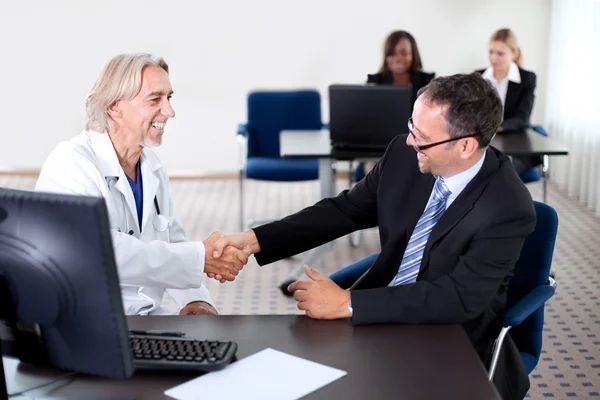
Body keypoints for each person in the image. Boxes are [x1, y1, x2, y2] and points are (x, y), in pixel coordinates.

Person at [212, 73, 534, 400]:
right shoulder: (403, 155)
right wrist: (255, 240)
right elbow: (345, 210)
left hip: (451, 337)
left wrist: (347, 303)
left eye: (421, 136)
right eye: (411, 125)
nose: (410, 141)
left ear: (465, 146)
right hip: (379, 312)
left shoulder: (507, 206)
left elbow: (457, 299)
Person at [35, 53, 248, 316]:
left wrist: (195, 300)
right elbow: (102, 251)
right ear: (114, 107)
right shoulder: (70, 164)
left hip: (144, 318)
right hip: (86, 318)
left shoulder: (151, 167)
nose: (170, 111)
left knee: (222, 350)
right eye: (155, 99)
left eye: (168, 98)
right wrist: (200, 257)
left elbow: (174, 241)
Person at [360, 30, 435, 176]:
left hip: (419, 144)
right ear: (386, 56)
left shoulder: (428, 81)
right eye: (392, 53)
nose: (398, 58)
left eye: (403, 53)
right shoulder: (375, 81)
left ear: (413, 55)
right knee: (374, 169)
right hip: (382, 146)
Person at [476, 28, 539, 174]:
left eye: (500, 53)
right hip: (484, 139)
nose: (493, 58)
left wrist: (496, 126)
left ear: (514, 53)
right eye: (491, 52)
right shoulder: (478, 76)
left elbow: (522, 118)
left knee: (500, 169)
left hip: (515, 142)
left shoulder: (527, 79)